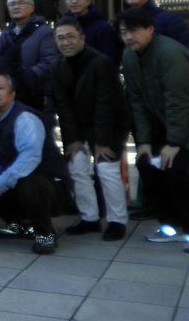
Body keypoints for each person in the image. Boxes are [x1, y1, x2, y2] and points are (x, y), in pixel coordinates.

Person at [118, 8, 189, 253]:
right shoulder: (130, 57)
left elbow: (179, 100)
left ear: (150, 30)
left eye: (133, 31)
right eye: (123, 32)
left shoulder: (170, 53)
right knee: (146, 163)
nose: (128, 37)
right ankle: (170, 225)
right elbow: (137, 102)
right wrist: (142, 141)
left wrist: (174, 143)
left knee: (176, 168)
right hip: (170, 120)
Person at [0, 72, 72, 255]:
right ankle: (20, 226)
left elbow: (30, 158)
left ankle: (45, 234)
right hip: (18, 181)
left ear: (12, 94)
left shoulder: (25, 118)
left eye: (0, 88)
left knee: (29, 182)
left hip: (51, 187)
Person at [51, 19, 129, 241]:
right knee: (76, 166)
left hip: (110, 124)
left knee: (106, 170)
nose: (65, 42)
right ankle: (90, 218)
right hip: (79, 126)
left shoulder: (101, 62)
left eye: (70, 37)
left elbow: (106, 104)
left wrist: (102, 141)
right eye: (60, 38)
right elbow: (62, 108)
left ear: (82, 38)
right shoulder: (57, 66)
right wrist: (72, 140)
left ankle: (117, 220)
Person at [0, 0, 58, 113]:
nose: (16, 6)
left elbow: (50, 60)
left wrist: (28, 75)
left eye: (21, 3)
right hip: (9, 92)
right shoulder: (7, 32)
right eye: (12, 4)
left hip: (35, 92)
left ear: (32, 7)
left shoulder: (44, 31)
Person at [61, 0, 123, 66]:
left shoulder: (103, 28)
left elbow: (110, 60)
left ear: (88, 0)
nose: (74, 1)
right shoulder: (63, 26)